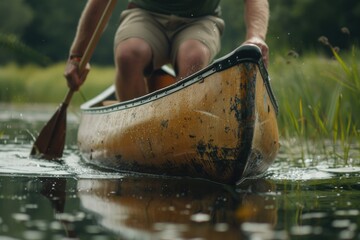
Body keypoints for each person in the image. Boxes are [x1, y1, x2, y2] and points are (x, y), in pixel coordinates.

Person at [65, 0, 269, 102]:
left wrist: (255, 37)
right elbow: (99, 4)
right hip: (145, 14)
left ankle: (181, 127)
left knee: (193, 57)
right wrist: (77, 56)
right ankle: (134, 130)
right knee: (129, 54)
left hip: (200, 19)